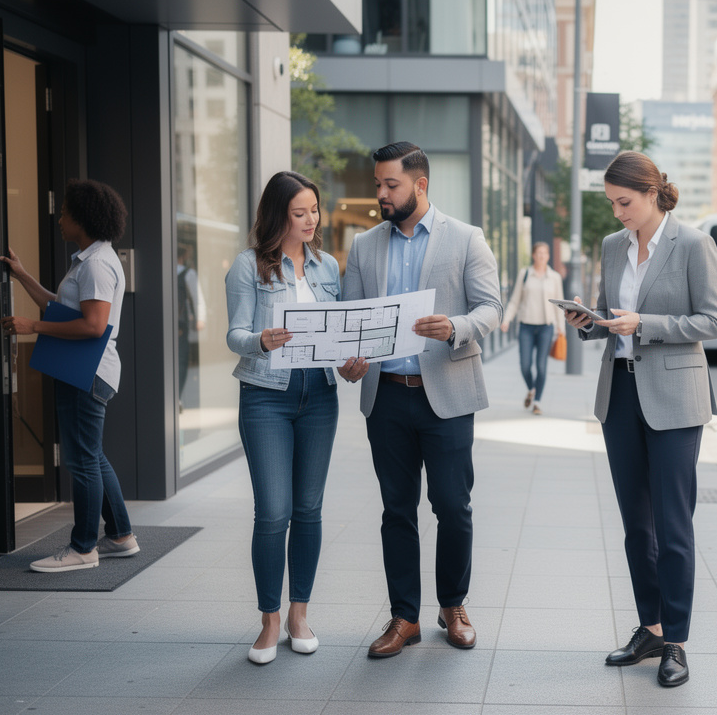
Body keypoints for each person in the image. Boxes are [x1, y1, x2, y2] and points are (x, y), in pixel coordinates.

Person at [563, 151, 717, 687]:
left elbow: (713, 321)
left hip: (676, 397)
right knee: (637, 525)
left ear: (652, 194)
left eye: (624, 202)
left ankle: (676, 641)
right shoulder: (613, 247)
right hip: (622, 393)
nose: (617, 214)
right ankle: (650, 627)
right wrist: (589, 321)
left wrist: (646, 323)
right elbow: (613, 318)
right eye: (611, 204)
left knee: (673, 526)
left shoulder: (694, 244)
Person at [337, 141, 501, 657]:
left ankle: (453, 604)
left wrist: (455, 326)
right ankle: (403, 617)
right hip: (386, 398)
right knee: (396, 510)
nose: (381, 195)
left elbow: (492, 308)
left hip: (447, 395)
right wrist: (349, 358)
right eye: (378, 185)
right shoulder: (364, 246)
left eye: (392, 185)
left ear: (420, 184)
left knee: (453, 506)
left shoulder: (467, 238)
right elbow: (350, 319)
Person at [225, 171, 344, 665]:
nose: (311, 220)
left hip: (319, 394)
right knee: (274, 511)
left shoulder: (329, 266)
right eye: (300, 213)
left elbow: (338, 332)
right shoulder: (248, 266)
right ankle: (269, 618)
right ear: (278, 216)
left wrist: (352, 360)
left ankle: (300, 614)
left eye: (315, 210)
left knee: (309, 509)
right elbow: (234, 334)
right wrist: (261, 340)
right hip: (266, 396)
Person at [0, 180, 140, 572]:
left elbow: (94, 326)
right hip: (89, 371)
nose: (59, 219)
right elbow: (60, 306)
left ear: (82, 217)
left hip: (87, 372)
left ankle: (83, 549)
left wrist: (33, 327)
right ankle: (120, 536)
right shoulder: (92, 259)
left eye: (64, 212)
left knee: (81, 462)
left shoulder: (95, 265)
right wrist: (22, 275)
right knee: (92, 457)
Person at [499, 241, 564, 415]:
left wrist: (561, 329)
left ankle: (537, 401)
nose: (542, 256)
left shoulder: (555, 277)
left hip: (546, 327)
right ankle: (532, 389)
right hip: (526, 326)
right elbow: (514, 300)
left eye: (545, 253)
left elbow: (560, 305)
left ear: (548, 256)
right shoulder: (525, 274)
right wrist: (506, 320)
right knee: (525, 365)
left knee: (541, 367)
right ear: (534, 255)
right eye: (539, 253)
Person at [176, 241, 207, 407]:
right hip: (181, 325)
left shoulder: (163, 270)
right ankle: (177, 397)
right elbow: (197, 298)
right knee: (181, 359)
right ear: (184, 256)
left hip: (166, 324)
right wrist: (200, 319)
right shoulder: (189, 273)